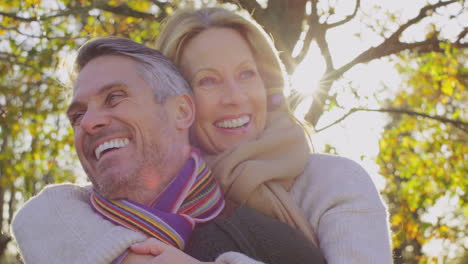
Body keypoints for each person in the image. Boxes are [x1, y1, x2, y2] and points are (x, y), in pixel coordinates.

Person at [12, 6, 392, 264]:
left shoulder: (331, 180)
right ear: (179, 104)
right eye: (207, 80)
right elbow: (42, 214)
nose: (235, 97)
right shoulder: (152, 186)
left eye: (247, 74)